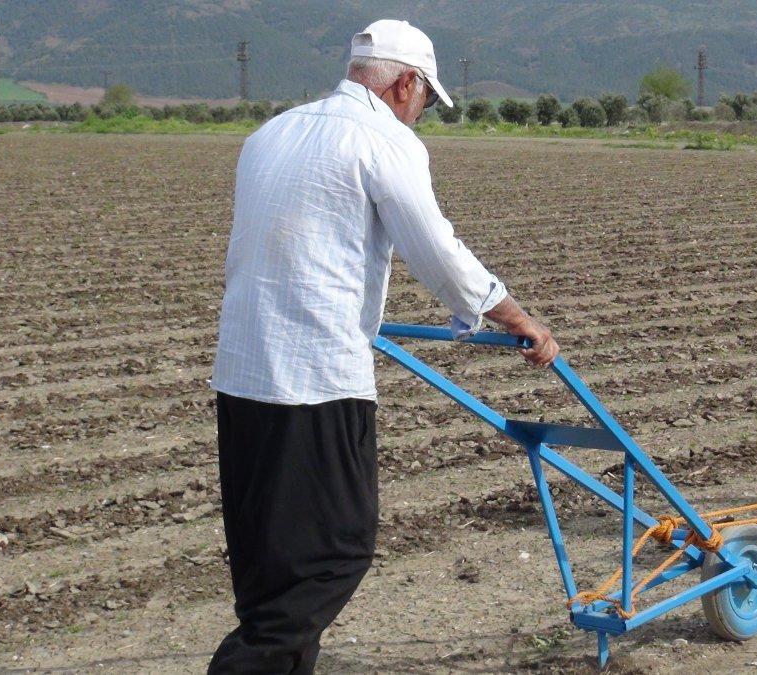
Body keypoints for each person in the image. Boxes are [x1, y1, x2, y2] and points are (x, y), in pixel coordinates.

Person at [207, 19, 559, 673]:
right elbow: (437, 251)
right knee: (335, 550)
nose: (421, 113)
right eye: (426, 99)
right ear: (405, 84)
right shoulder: (383, 141)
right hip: (314, 380)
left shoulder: (269, 134)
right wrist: (515, 317)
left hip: (242, 376)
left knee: (271, 571)